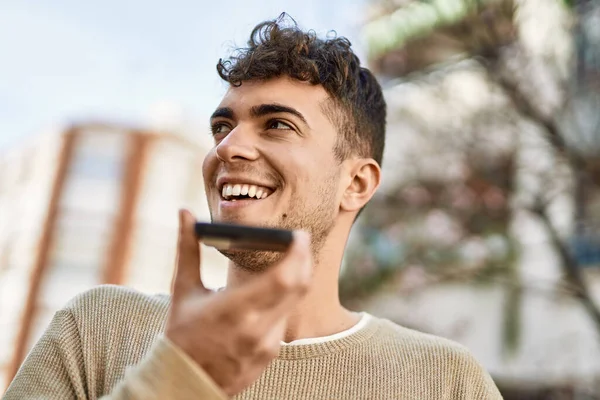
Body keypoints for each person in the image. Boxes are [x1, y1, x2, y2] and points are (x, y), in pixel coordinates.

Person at [4, 14, 502, 400]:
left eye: (278, 124)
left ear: (356, 182)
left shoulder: (444, 381)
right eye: (222, 127)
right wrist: (179, 373)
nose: (227, 148)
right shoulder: (98, 329)